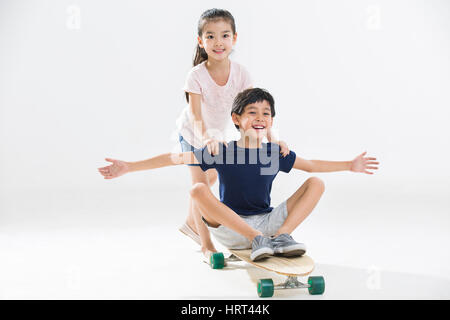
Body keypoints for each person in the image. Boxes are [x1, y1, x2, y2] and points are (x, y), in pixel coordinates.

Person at [98, 88, 379, 261]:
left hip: (267, 223)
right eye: (252, 112)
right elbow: (175, 158)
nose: (259, 118)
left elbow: (312, 166)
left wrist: (349, 164)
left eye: (266, 114)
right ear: (236, 119)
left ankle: (280, 237)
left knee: (316, 183)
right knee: (197, 190)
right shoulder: (222, 150)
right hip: (233, 229)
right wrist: (129, 166)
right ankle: (258, 239)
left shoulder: (272, 152)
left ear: (271, 121)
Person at [175, 9, 289, 257]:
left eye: (224, 35)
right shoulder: (196, 75)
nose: (218, 42)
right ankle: (206, 244)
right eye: (211, 36)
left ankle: (190, 221)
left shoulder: (241, 73)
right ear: (201, 41)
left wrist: (272, 138)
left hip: (216, 135)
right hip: (194, 135)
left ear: (234, 39)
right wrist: (206, 139)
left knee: (212, 179)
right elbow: (195, 115)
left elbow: (255, 109)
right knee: (200, 184)